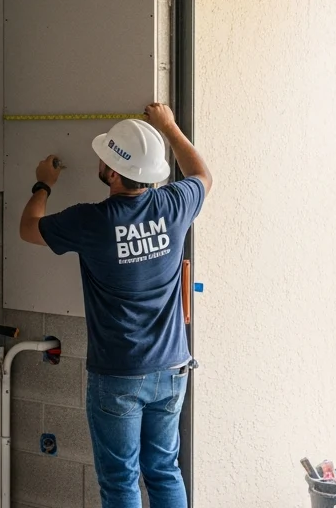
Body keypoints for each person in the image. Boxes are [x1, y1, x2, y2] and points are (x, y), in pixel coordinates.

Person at [18, 103, 210, 508]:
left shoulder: (93, 222)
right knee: (164, 470)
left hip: (120, 374)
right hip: (173, 367)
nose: (101, 161)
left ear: (115, 173)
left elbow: (29, 228)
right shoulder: (174, 206)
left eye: (106, 158)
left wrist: (43, 185)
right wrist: (170, 127)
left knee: (121, 482)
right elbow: (202, 176)